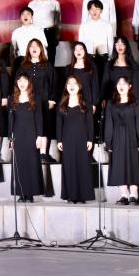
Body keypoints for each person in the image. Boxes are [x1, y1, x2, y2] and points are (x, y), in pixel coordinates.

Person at [103, 76, 139, 205]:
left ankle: (133, 194)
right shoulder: (111, 103)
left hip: (132, 137)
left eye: (124, 83)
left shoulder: (136, 103)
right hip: (117, 138)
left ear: (130, 86)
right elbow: (109, 123)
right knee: (118, 165)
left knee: (133, 165)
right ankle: (124, 195)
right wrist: (108, 142)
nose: (121, 86)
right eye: (119, 83)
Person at [16, 38, 58, 164]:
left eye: (37, 46)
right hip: (28, 102)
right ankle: (32, 152)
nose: (34, 48)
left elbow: (54, 83)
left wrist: (52, 99)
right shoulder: (23, 66)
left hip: (44, 101)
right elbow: (17, 83)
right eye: (31, 46)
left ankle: (43, 153)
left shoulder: (47, 65)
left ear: (41, 49)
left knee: (45, 124)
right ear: (28, 49)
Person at [56, 75, 94, 204]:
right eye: (69, 83)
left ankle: (82, 195)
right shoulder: (62, 104)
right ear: (66, 87)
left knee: (82, 166)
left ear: (79, 86)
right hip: (67, 139)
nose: (71, 86)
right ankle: (71, 195)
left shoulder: (85, 103)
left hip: (82, 138)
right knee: (69, 166)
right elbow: (59, 124)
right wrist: (59, 140)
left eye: (74, 83)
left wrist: (90, 139)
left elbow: (90, 123)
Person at [9, 74, 45, 202]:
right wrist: (10, 138)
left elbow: (39, 118)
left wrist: (39, 136)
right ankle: (21, 193)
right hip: (17, 135)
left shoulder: (36, 98)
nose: (22, 83)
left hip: (32, 134)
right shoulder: (12, 98)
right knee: (19, 163)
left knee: (31, 163)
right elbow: (10, 120)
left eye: (24, 80)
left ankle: (30, 193)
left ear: (29, 82)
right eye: (19, 81)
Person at [65, 41, 101, 139]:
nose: (78, 51)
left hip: (87, 101)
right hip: (73, 102)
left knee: (87, 127)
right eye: (76, 49)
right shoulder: (69, 68)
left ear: (85, 51)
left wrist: (94, 104)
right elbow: (66, 88)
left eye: (81, 49)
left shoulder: (91, 67)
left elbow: (95, 85)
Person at [101, 36, 139, 114]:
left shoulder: (133, 65)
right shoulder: (109, 64)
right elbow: (105, 83)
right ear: (114, 46)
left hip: (129, 101)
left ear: (126, 46)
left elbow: (137, 85)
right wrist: (104, 98)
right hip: (112, 101)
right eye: (117, 44)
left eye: (122, 44)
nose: (120, 46)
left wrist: (137, 102)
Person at [28, 0, 61, 65]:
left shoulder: (55, 3)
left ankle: (50, 73)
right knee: (36, 56)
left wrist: (57, 36)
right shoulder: (32, 4)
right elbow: (29, 21)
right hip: (36, 32)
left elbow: (57, 21)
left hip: (50, 33)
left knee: (51, 56)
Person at [78, 0, 114, 68]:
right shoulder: (84, 25)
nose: (94, 11)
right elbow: (81, 42)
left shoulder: (107, 25)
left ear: (101, 11)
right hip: (88, 55)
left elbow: (110, 42)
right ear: (89, 11)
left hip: (103, 56)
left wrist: (110, 56)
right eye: (92, 9)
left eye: (97, 9)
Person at [10, 6, 48, 72]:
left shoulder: (39, 31)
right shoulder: (16, 32)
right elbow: (13, 50)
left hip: (37, 60)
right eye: (23, 14)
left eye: (28, 14)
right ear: (20, 18)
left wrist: (45, 63)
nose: (25, 16)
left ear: (31, 17)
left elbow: (44, 48)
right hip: (22, 61)